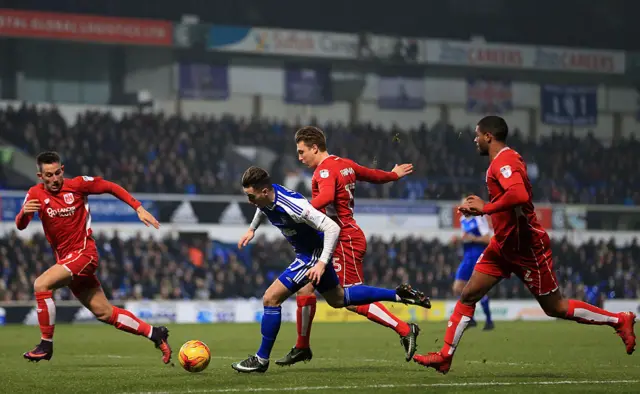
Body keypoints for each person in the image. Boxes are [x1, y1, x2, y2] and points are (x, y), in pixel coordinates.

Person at [413, 116, 636, 374]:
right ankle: (445, 356)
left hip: (526, 248)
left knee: (556, 307)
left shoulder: (505, 160)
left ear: (489, 136)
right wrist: (487, 210)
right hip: (503, 245)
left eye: (477, 134)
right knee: (468, 294)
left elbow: (519, 194)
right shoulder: (499, 163)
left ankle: (619, 320)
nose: (474, 139)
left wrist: (486, 208)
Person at [232, 166, 431, 373]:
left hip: (312, 255)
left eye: (251, 196)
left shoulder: (295, 206)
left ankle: (261, 359)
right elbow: (262, 207)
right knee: (338, 299)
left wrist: (321, 262)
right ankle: (398, 295)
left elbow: (332, 228)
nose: (250, 201)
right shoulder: (267, 197)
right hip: (309, 253)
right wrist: (251, 229)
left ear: (264, 191)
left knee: (270, 298)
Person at [276, 126, 418, 366]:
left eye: (302, 152)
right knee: (305, 289)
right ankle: (302, 347)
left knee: (347, 299)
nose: (300, 158)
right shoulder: (344, 163)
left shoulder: (323, 172)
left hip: (344, 240)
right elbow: (372, 175)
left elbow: (327, 197)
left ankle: (404, 328)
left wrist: (298, 210)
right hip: (338, 238)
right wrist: (392, 175)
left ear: (314, 147)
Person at [16, 151, 172, 364]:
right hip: (68, 261)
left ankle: (46, 345)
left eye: (57, 173)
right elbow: (20, 225)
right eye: (48, 175)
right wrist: (24, 213)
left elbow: (110, 186)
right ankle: (155, 333)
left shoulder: (78, 185)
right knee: (105, 313)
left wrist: (138, 207)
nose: (54, 179)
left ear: (62, 170)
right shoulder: (34, 194)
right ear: (40, 176)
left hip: (84, 254)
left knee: (41, 285)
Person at [451, 198, 493, 330]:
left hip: (477, 257)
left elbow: (488, 239)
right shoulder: (462, 220)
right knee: (458, 288)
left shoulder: (479, 219)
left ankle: (488, 320)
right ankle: (472, 319)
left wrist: (473, 238)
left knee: (477, 289)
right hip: (467, 257)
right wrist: (459, 240)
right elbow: (466, 237)